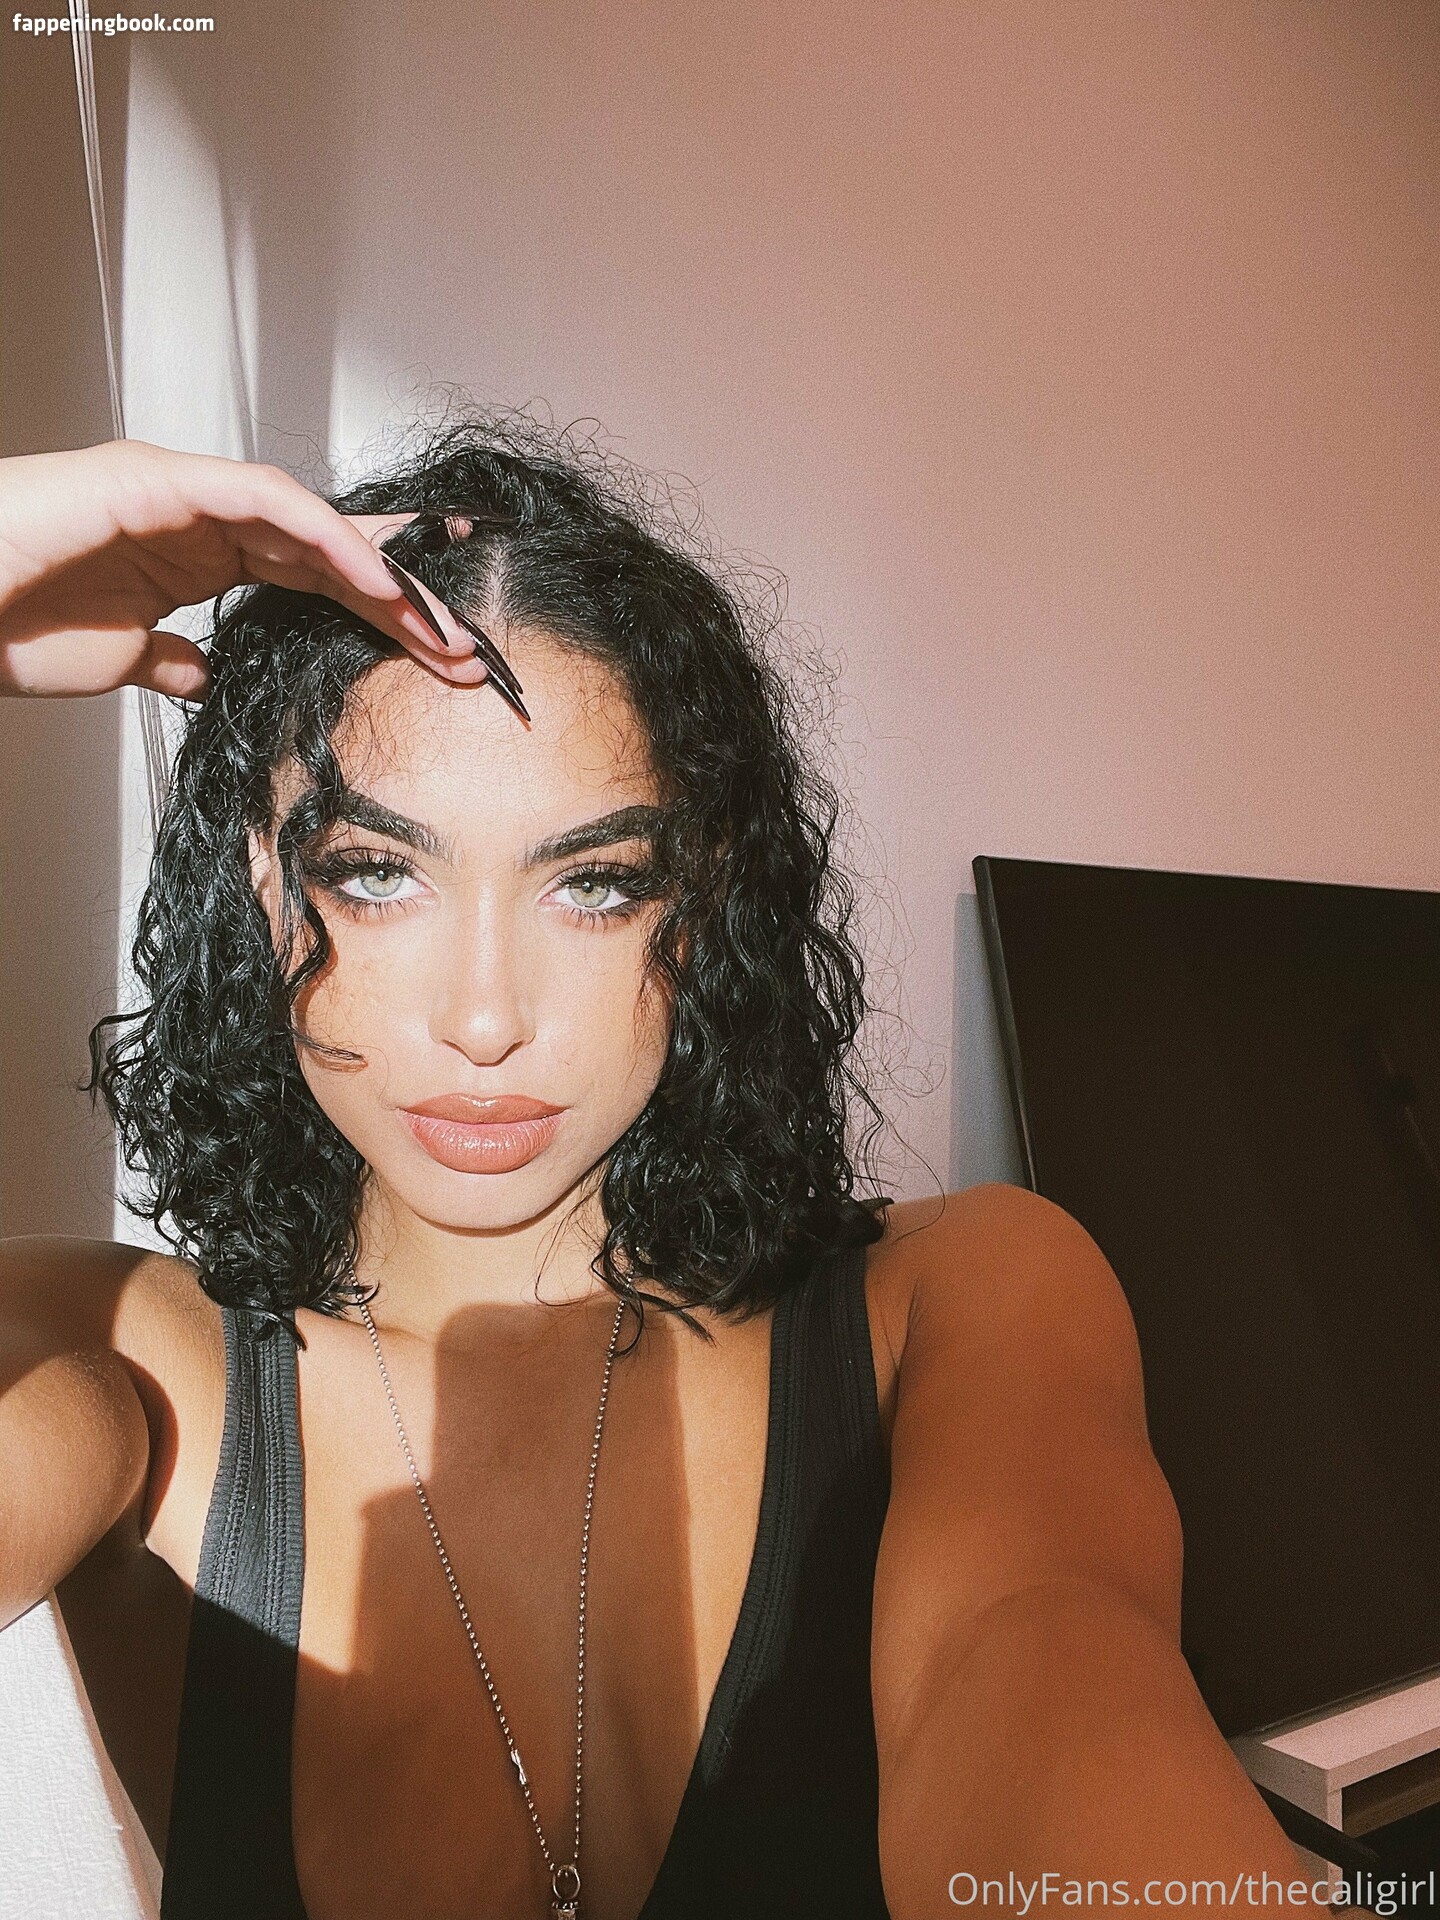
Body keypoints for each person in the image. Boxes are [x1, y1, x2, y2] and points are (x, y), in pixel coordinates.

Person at [0, 421, 1316, 1920]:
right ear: (261, 873)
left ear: (703, 897)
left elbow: (1053, 1682)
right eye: (377, 872)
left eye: (595, 884)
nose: (484, 1019)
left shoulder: (963, 1303)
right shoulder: (114, 1360)